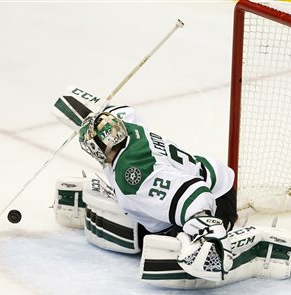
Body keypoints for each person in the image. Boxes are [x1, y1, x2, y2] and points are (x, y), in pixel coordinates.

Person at [78, 105, 238, 280]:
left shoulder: (134, 175)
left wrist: (208, 229)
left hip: (217, 200)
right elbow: (120, 111)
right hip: (205, 172)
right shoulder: (127, 125)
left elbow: (195, 193)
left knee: (168, 247)